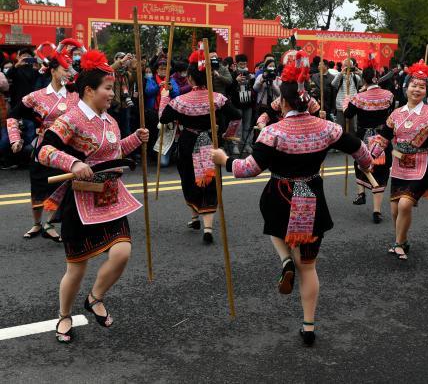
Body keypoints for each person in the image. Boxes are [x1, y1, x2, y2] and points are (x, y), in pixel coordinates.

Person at [211, 60, 372, 347]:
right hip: (311, 196)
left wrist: (225, 160)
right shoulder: (327, 128)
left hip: (280, 197)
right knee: (308, 267)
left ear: (283, 101)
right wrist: (367, 164)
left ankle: (285, 259)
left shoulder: (273, 133)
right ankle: (309, 326)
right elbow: (359, 149)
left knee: (273, 223)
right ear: (307, 99)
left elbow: (248, 169)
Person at [37, 49, 149, 344]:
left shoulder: (110, 121)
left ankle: (95, 297)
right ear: (89, 90)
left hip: (111, 197)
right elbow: (43, 151)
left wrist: (135, 140)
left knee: (122, 252)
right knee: (76, 268)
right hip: (80, 201)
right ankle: (64, 315)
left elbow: (114, 153)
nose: (112, 94)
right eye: (108, 88)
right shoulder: (71, 118)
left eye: (113, 88)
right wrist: (73, 163)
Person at [369, 61, 428, 260]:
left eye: (421, 86)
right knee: (394, 209)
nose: (417, 89)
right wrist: (368, 157)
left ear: (426, 91)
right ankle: (403, 240)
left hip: (422, 164)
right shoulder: (396, 113)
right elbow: (383, 138)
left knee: (405, 205)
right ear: (406, 87)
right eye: (414, 85)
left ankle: (398, 244)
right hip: (399, 164)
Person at [158, 48, 241, 243]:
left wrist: (164, 96)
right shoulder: (217, 98)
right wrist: (227, 134)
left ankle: (195, 216)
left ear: (190, 79)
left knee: (189, 179)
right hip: (210, 142)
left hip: (188, 142)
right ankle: (207, 227)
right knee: (209, 182)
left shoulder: (181, 101)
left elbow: (163, 118)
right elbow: (236, 116)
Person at [7, 43, 81, 241]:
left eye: (70, 70)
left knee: (61, 185)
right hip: (42, 146)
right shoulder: (37, 96)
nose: (68, 73)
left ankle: (49, 223)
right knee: (38, 184)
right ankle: (37, 223)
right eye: (64, 69)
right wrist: (15, 138)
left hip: (66, 147)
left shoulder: (75, 96)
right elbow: (13, 114)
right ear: (53, 70)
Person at [343, 66, 394, 223]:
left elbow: (348, 115)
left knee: (361, 163)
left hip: (364, 136)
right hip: (382, 137)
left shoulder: (358, 98)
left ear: (364, 80)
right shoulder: (388, 95)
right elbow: (390, 112)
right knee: (381, 169)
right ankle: (376, 211)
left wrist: (346, 101)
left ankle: (361, 193)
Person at [331, 58, 361, 135]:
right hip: (341, 105)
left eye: (350, 66)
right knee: (340, 128)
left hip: (352, 106)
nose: (348, 68)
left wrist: (359, 72)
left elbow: (364, 82)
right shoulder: (339, 76)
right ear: (342, 66)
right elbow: (333, 84)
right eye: (345, 66)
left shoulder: (356, 77)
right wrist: (341, 73)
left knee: (352, 129)